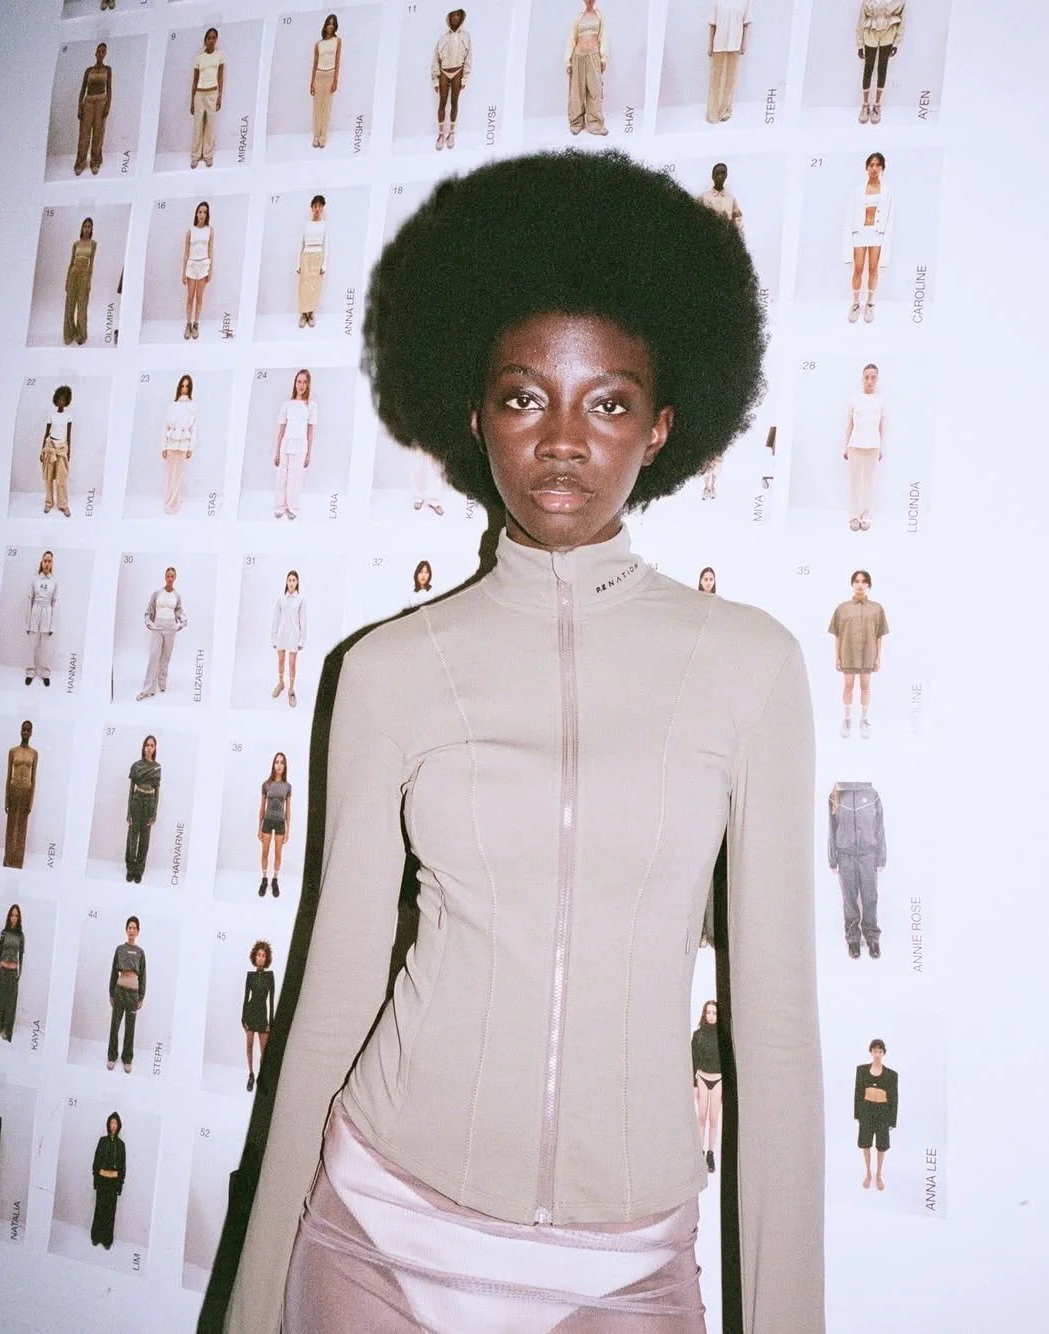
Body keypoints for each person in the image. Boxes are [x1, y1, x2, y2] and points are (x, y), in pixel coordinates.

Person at [223, 149, 823, 1334]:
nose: (562, 439)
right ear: (470, 412)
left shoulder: (751, 665)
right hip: (372, 1235)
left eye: (606, 400)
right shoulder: (385, 671)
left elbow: (781, 1030)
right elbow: (332, 998)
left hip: (623, 1269)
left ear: (660, 426)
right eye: (522, 394)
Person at [828, 569, 889, 739]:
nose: (859, 584)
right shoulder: (842, 608)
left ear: (868, 585)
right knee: (848, 685)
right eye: (856, 581)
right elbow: (838, 635)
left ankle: (864, 719)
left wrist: (878, 657)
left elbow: (879, 635)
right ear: (852, 584)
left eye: (863, 581)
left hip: (868, 652)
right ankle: (847, 719)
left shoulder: (876, 609)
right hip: (847, 652)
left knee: (865, 686)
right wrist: (837, 657)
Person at [828, 782, 886, 959]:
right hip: (845, 855)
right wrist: (832, 860)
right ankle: (853, 938)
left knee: (870, 897)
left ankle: (872, 937)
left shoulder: (872, 794)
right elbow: (831, 829)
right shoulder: (835, 795)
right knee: (849, 898)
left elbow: (880, 828)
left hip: (868, 854)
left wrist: (881, 857)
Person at [846, 152, 893, 324]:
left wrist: (884, 233)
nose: (874, 168)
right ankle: (856, 302)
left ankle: (870, 303)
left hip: (876, 233)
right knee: (858, 268)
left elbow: (889, 216)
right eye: (871, 165)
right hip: (860, 232)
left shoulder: (886, 191)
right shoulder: (857, 190)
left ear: (882, 168)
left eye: (877, 165)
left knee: (873, 268)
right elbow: (850, 215)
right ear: (867, 168)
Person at [844, 362, 885, 530]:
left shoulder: (880, 401)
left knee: (869, 482)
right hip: (855, 446)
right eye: (866, 377)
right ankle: (854, 516)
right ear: (862, 378)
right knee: (855, 482)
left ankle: (866, 515)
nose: (869, 380)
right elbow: (849, 425)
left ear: (877, 379)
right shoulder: (855, 400)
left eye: (873, 377)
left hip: (873, 447)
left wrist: (881, 448)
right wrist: (845, 447)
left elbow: (881, 426)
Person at [137, 567, 187, 700]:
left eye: (172, 576)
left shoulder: (177, 595)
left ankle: (162, 682)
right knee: (154, 657)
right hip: (157, 628)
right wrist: (149, 623)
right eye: (168, 576)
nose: (170, 579)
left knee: (165, 657)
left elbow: (180, 611)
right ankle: (148, 689)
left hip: (170, 628)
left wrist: (181, 623)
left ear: (175, 578)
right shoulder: (157, 593)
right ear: (165, 577)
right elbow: (149, 610)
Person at [854, 1039, 898, 1190]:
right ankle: (868, 1173)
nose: (877, 1054)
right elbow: (858, 1094)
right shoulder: (861, 1070)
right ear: (871, 1052)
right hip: (866, 1110)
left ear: (883, 1053)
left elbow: (894, 1098)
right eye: (875, 1051)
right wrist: (858, 1115)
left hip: (883, 1112)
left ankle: (879, 1174)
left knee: (881, 1146)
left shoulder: (891, 1075)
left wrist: (892, 1121)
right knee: (865, 1144)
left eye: (880, 1051)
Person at [274, 370, 316, 520]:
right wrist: (277, 452)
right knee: (282, 477)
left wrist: (309, 454)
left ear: (308, 384)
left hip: (300, 447)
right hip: (286, 444)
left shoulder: (311, 406)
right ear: (295, 383)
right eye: (299, 381)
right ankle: (280, 506)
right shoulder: (287, 405)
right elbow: (281, 430)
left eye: (305, 382)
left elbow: (310, 432)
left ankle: (293, 507)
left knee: (295, 478)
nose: (301, 385)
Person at [857, 1, 905, 124]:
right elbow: (861, 20)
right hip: (870, 34)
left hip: (888, 34)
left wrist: (896, 43)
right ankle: (865, 105)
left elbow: (903, 21)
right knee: (868, 69)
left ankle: (877, 105)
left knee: (882, 69)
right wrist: (859, 45)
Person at [107, 917, 145, 1073]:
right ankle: (111, 1056)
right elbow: (113, 972)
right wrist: (111, 993)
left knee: (130, 1028)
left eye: (134, 928)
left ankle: (127, 1059)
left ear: (137, 931)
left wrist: (141, 997)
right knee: (114, 1026)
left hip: (133, 994)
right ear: (126, 929)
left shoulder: (140, 952)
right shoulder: (119, 949)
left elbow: (143, 976)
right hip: (120, 991)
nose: (131, 930)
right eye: (129, 927)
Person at [566, 1, 608, 136]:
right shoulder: (578, 17)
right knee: (576, 92)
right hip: (578, 57)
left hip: (593, 56)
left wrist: (603, 58)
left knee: (595, 90)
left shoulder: (599, 16)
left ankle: (595, 124)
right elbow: (572, 39)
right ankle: (576, 123)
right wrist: (568, 61)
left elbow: (603, 37)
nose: (589, 0)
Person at [432, 9, 471, 150]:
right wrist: (435, 79)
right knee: (442, 103)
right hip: (443, 72)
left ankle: (452, 133)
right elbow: (435, 60)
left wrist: (465, 78)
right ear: (449, 18)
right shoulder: (442, 38)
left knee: (454, 102)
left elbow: (468, 58)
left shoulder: (465, 37)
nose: (455, 18)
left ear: (461, 18)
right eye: (453, 15)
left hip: (458, 72)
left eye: (458, 16)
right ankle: (441, 134)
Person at [707, 2, 752, 124]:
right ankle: (713, 112)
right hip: (719, 43)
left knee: (730, 80)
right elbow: (712, 24)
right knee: (715, 80)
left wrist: (744, 44)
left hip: (735, 44)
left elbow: (745, 25)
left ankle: (725, 110)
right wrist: (710, 45)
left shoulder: (746, 2)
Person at [691, 1000, 722, 1174]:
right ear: (704, 1014)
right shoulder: (698, 1035)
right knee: (701, 1117)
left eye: (714, 1013)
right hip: (702, 1078)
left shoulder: (723, 1036)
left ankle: (710, 1153)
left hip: (718, 1079)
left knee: (714, 1119)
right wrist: (694, 1084)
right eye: (708, 1012)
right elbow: (693, 1061)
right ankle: (699, 1152)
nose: (711, 1016)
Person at [125, 736, 161, 885]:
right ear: (143, 747)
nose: (149, 748)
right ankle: (130, 868)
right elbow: (131, 790)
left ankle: (139, 870)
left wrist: (154, 813)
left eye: (152, 745)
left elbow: (157, 791)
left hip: (149, 804)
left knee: (144, 840)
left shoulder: (158, 767)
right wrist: (129, 811)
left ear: (155, 749)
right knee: (133, 838)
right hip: (137, 801)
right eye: (147, 745)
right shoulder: (136, 766)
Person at [3, 722, 38, 870]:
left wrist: (31, 802)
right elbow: (8, 775)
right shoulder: (13, 751)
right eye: (23, 729)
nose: (25, 732)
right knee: (11, 825)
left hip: (26, 790)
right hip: (14, 788)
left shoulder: (34, 754)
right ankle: (8, 859)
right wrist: (6, 799)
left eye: (28, 730)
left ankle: (18, 860)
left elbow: (33, 779)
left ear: (31, 733)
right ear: (20, 731)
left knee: (22, 826)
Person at [243, 941, 276, 1092]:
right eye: (258, 955)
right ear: (254, 957)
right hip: (250, 1014)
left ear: (266, 958)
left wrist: (271, 1021)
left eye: (263, 955)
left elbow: (271, 1000)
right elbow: (246, 998)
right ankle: (251, 1075)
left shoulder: (270, 976)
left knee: (264, 1051)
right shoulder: (250, 976)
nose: (260, 958)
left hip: (263, 1016)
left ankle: (261, 1077)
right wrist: (243, 1018)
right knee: (249, 1046)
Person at [162, 375, 197, 514]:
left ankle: (175, 502)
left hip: (183, 443)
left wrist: (191, 448)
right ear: (179, 387)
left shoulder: (193, 406)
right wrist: (163, 447)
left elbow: (194, 429)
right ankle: (168, 500)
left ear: (190, 388)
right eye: (182, 385)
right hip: (171, 443)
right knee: (170, 474)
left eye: (187, 386)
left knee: (180, 475)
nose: (184, 388)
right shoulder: (172, 405)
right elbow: (164, 427)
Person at [258, 753, 292, 898]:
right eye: (276, 762)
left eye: (282, 762)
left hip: (280, 824)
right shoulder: (266, 784)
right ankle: (265, 879)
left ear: (284, 766)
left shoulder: (287, 786)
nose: (279, 765)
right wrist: (259, 827)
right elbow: (262, 807)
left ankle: (275, 880)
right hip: (267, 821)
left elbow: (288, 809)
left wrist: (288, 829)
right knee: (265, 852)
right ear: (273, 765)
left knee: (278, 853)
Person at [190, 28, 225, 169]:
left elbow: (220, 77)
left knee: (210, 125)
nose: (211, 40)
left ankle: (208, 156)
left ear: (216, 39)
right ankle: (195, 156)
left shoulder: (220, 56)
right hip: (199, 94)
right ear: (205, 40)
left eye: (214, 38)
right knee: (198, 125)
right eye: (209, 38)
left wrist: (219, 96)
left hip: (212, 94)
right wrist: (192, 101)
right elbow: (195, 80)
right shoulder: (198, 58)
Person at [75, 43, 111, 176]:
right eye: (99, 51)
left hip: (101, 101)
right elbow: (83, 89)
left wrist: (108, 105)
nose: (101, 53)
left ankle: (95, 162)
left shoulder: (108, 69)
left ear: (105, 54)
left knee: (98, 134)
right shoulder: (88, 70)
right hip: (88, 102)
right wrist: (79, 106)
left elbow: (109, 89)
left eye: (103, 51)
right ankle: (80, 163)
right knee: (84, 134)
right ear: (95, 53)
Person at [271, 572, 307, 706]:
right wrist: (273, 637)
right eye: (289, 580)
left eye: (294, 580)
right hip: (281, 635)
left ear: (297, 582)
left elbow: (303, 621)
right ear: (286, 582)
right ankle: (281, 683)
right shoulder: (281, 599)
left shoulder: (300, 600)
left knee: (292, 664)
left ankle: (291, 690)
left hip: (294, 636)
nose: (291, 582)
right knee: (280, 660)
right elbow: (275, 619)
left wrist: (301, 639)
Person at [90, 1112, 126, 1248]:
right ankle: (96, 1237)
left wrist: (119, 1184)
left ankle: (107, 1240)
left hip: (113, 1184)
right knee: (99, 1208)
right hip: (102, 1182)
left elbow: (123, 1166)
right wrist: (97, 1177)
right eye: (111, 1122)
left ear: (119, 1125)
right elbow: (96, 1161)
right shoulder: (102, 1141)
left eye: (116, 1123)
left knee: (110, 1211)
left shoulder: (121, 1145)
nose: (113, 1125)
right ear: (108, 1124)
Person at [0, 906, 24, 1043]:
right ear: (9, 916)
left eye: (16, 916)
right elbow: (0, 951)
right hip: (3, 970)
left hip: (13, 971)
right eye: (12, 915)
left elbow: (21, 955)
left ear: (18, 918)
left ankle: (6, 1029)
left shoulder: (21, 936)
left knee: (10, 1002)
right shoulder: (4, 933)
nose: (14, 918)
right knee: (0, 999)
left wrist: (19, 972)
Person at [25, 550, 58, 687]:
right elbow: (29, 600)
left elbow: (55, 603)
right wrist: (28, 623)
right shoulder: (35, 580)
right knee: (32, 645)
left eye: (50, 561)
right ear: (41, 562)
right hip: (35, 611)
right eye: (45, 560)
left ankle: (45, 673)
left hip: (47, 613)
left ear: (52, 564)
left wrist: (52, 625)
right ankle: (30, 672)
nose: (47, 563)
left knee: (45, 646)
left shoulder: (54, 582)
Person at [182, 202, 213, 341]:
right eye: (200, 212)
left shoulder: (210, 230)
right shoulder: (190, 231)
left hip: (203, 266)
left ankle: (196, 324)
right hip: (191, 266)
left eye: (204, 212)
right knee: (190, 297)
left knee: (199, 298)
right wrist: (183, 272)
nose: (202, 215)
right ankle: (188, 324)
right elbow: (186, 253)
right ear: (196, 213)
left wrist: (210, 269)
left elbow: (211, 250)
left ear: (207, 215)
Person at [40, 385, 74, 516]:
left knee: (61, 479)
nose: (61, 402)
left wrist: (68, 451)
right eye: (59, 399)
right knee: (48, 478)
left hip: (61, 449)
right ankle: (48, 503)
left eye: (64, 400)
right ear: (56, 400)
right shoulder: (51, 415)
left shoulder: (69, 416)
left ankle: (63, 505)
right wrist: (42, 450)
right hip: (50, 447)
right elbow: (46, 432)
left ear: (67, 401)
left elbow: (69, 434)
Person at [63, 217, 96, 346]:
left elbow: (91, 264)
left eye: (89, 226)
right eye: (85, 226)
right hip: (72, 276)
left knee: (82, 307)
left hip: (84, 277)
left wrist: (89, 281)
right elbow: (71, 262)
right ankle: (69, 334)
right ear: (82, 228)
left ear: (92, 228)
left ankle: (81, 335)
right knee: (70, 306)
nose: (87, 228)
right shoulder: (76, 244)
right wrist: (67, 280)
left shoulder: (93, 244)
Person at [296, 198, 328, 329]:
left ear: (322, 208)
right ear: (311, 207)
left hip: (318, 256)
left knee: (315, 286)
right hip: (306, 256)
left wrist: (324, 264)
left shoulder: (324, 225)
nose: (317, 209)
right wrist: (298, 263)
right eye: (315, 206)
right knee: (304, 285)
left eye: (320, 206)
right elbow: (300, 244)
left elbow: (327, 245)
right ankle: (303, 314)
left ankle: (311, 313)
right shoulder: (306, 225)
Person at [310, 14, 341, 148]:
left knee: (326, 107)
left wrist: (335, 81)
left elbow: (337, 62)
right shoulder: (318, 44)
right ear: (325, 25)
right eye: (329, 23)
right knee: (317, 108)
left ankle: (323, 136)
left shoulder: (337, 41)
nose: (331, 26)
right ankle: (316, 136)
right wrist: (311, 82)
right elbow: (315, 64)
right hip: (318, 76)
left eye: (333, 24)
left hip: (330, 75)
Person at [697, 162, 744, 230]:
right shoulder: (703, 197)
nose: (720, 176)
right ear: (712, 176)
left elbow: (738, 220)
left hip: (726, 236)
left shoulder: (731, 199)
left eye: (723, 173)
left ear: (726, 175)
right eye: (717, 173)